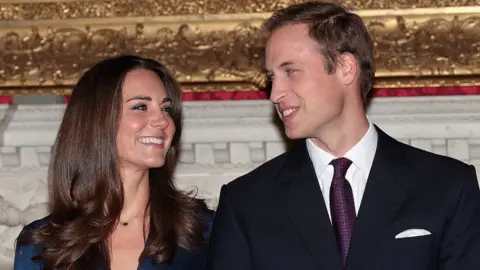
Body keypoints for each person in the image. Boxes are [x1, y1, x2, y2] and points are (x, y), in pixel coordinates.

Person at [206, 2, 480, 270]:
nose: (275, 93)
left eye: (290, 72)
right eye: (272, 77)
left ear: (345, 68)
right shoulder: (245, 202)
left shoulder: (448, 187)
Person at [14, 55, 213, 270]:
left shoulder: (204, 231)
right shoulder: (42, 245)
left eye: (166, 108)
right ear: (98, 121)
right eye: (140, 107)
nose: (163, 120)